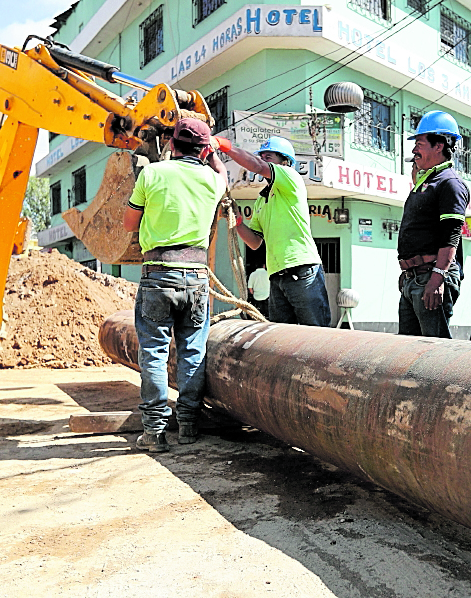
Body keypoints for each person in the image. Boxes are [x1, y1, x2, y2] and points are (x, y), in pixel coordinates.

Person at [124, 117, 227, 452]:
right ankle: (188, 428)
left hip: (157, 273)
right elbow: (223, 175)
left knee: (153, 352)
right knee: (193, 352)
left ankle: (154, 433)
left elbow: (129, 223)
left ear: (171, 144)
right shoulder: (213, 180)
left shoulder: (152, 173)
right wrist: (213, 154)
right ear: (203, 149)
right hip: (196, 277)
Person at [213, 135, 331, 326]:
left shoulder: (290, 177)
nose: (263, 160)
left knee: (316, 335)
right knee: (283, 338)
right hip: (277, 277)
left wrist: (225, 147)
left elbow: (257, 166)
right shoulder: (261, 200)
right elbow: (254, 242)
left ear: (285, 162)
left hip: (302, 270)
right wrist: (238, 220)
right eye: (262, 156)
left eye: (270, 156)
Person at [397, 110, 468, 337]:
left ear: (439, 145)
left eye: (419, 143)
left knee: (433, 354)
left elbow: (451, 234)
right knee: (408, 353)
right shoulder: (427, 181)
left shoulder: (450, 183)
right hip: (415, 278)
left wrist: (437, 279)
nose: (414, 150)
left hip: (431, 276)